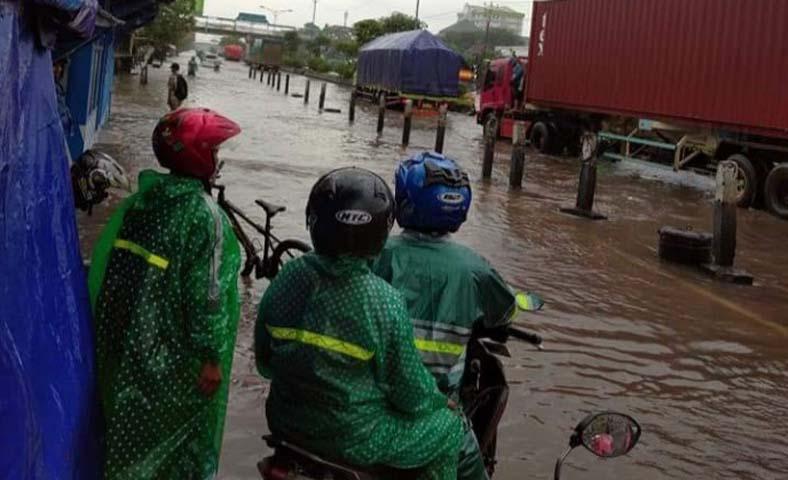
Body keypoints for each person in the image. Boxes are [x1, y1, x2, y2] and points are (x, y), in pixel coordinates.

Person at [255, 167, 468, 480]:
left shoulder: (289, 276)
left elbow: (265, 362)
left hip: (286, 422)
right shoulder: (383, 301)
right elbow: (409, 391)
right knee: (449, 427)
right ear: (381, 232)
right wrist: (440, 402)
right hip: (355, 439)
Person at [87, 108, 242, 479]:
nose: (217, 160)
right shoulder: (205, 216)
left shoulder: (143, 202)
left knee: (127, 436)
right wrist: (210, 357)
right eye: (214, 151)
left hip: (125, 345)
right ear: (200, 155)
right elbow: (207, 295)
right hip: (171, 358)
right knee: (173, 448)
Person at [372, 152, 518, 480]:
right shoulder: (474, 267)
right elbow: (505, 311)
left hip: (375, 398)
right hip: (438, 407)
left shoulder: (377, 252)